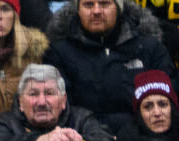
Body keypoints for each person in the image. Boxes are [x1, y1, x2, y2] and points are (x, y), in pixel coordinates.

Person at [44, 0, 176, 133]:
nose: (96, 11)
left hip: (142, 140)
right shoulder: (59, 53)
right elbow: (59, 109)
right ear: (78, 10)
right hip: (82, 139)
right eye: (88, 5)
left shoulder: (150, 49)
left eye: (104, 4)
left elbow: (168, 103)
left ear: (119, 9)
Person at [0, 63, 117, 141]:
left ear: (63, 100)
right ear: (20, 102)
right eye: (33, 94)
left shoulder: (81, 119)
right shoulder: (4, 123)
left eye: (49, 93)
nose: (41, 102)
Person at [117, 69, 179, 141]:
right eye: (148, 107)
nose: (157, 113)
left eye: (163, 104)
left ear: (172, 109)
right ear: (139, 114)